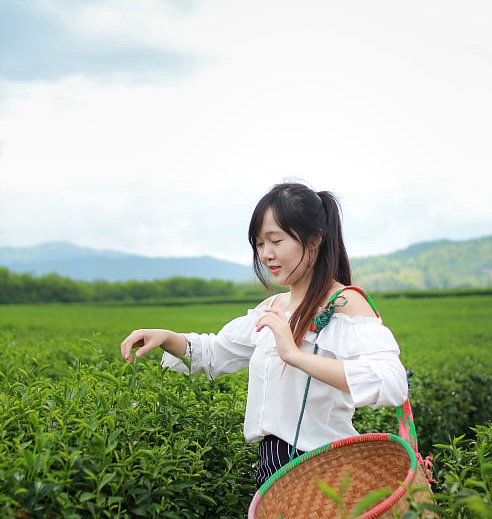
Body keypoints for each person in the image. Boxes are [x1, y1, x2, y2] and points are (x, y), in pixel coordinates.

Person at [120, 181, 408, 487]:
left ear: (315, 240)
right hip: (272, 467)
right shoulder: (272, 308)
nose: (267, 254)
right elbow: (215, 353)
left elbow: (391, 382)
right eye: (259, 243)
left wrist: (295, 356)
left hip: (327, 469)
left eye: (276, 240)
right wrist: (166, 336)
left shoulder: (345, 304)